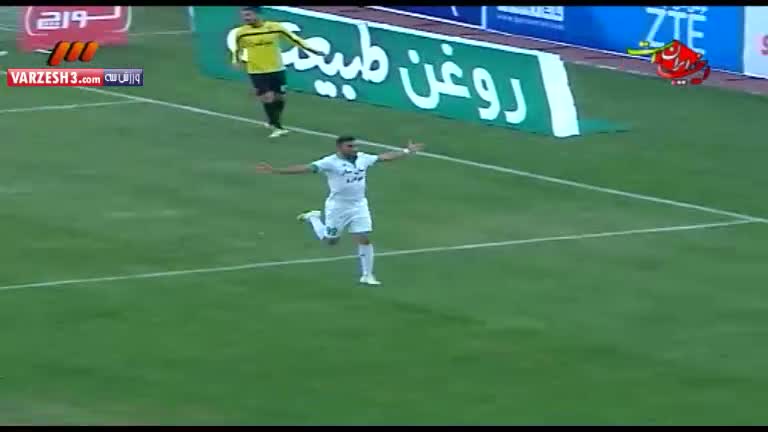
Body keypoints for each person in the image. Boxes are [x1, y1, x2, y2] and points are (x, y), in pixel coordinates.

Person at [255, 136, 425, 285]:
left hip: (359, 205)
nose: (354, 149)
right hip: (338, 207)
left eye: (355, 146)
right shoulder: (330, 162)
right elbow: (306, 168)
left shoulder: (362, 158)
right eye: (350, 146)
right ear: (339, 147)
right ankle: (313, 218)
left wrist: (406, 151)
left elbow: (384, 157)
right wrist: (276, 171)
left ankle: (367, 275)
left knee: (364, 238)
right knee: (330, 241)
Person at [232, 6, 323, 138]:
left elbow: (295, 39)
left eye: (248, 15)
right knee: (267, 97)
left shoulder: (275, 27)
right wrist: (236, 60)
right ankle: (277, 127)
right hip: (256, 70)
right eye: (244, 16)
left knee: (280, 97)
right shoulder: (241, 33)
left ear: (258, 14)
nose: (246, 18)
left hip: (277, 68)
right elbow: (237, 49)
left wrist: (312, 50)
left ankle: (272, 121)